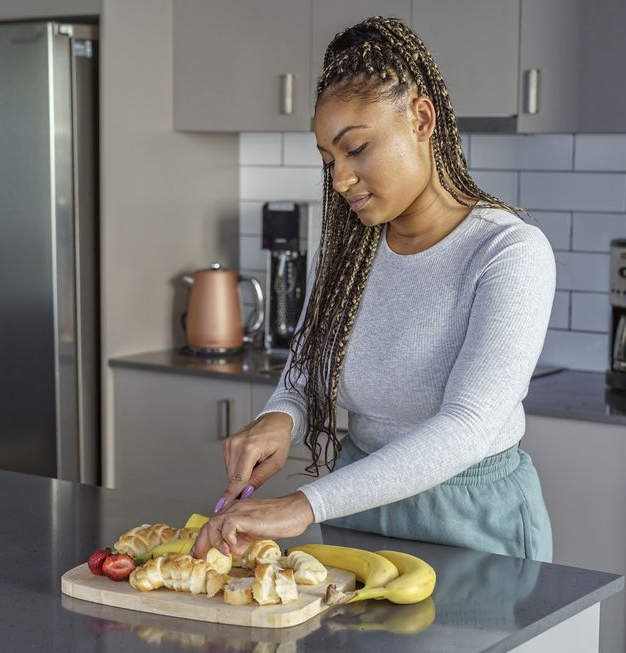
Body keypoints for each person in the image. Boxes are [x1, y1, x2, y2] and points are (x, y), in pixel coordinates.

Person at [193, 16, 556, 563]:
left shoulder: (508, 252)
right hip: (359, 509)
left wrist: (303, 504)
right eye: (329, 160)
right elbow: (305, 370)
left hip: (474, 524)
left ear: (422, 119)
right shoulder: (349, 251)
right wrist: (281, 416)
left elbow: (467, 427)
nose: (340, 180)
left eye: (356, 148)